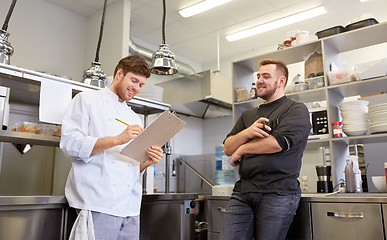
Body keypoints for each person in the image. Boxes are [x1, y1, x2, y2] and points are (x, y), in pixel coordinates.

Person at [60, 55, 164, 239]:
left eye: (141, 85)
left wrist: (147, 162)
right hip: (98, 202)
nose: (137, 88)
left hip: (130, 207)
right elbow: (69, 143)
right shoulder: (87, 100)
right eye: (134, 81)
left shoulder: (133, 117)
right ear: (119, 74)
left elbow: (129, 169)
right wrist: (117, 139)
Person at [220, 59, 311, 240]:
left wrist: (243, 149)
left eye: (266, 76)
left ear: (281, 81)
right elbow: (228, 148)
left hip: (278, 193)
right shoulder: (248, 115)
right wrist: (247, 132)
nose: (259, 80)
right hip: (243, 192)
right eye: (258, 76)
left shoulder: (295, 110)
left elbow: (277, 143)